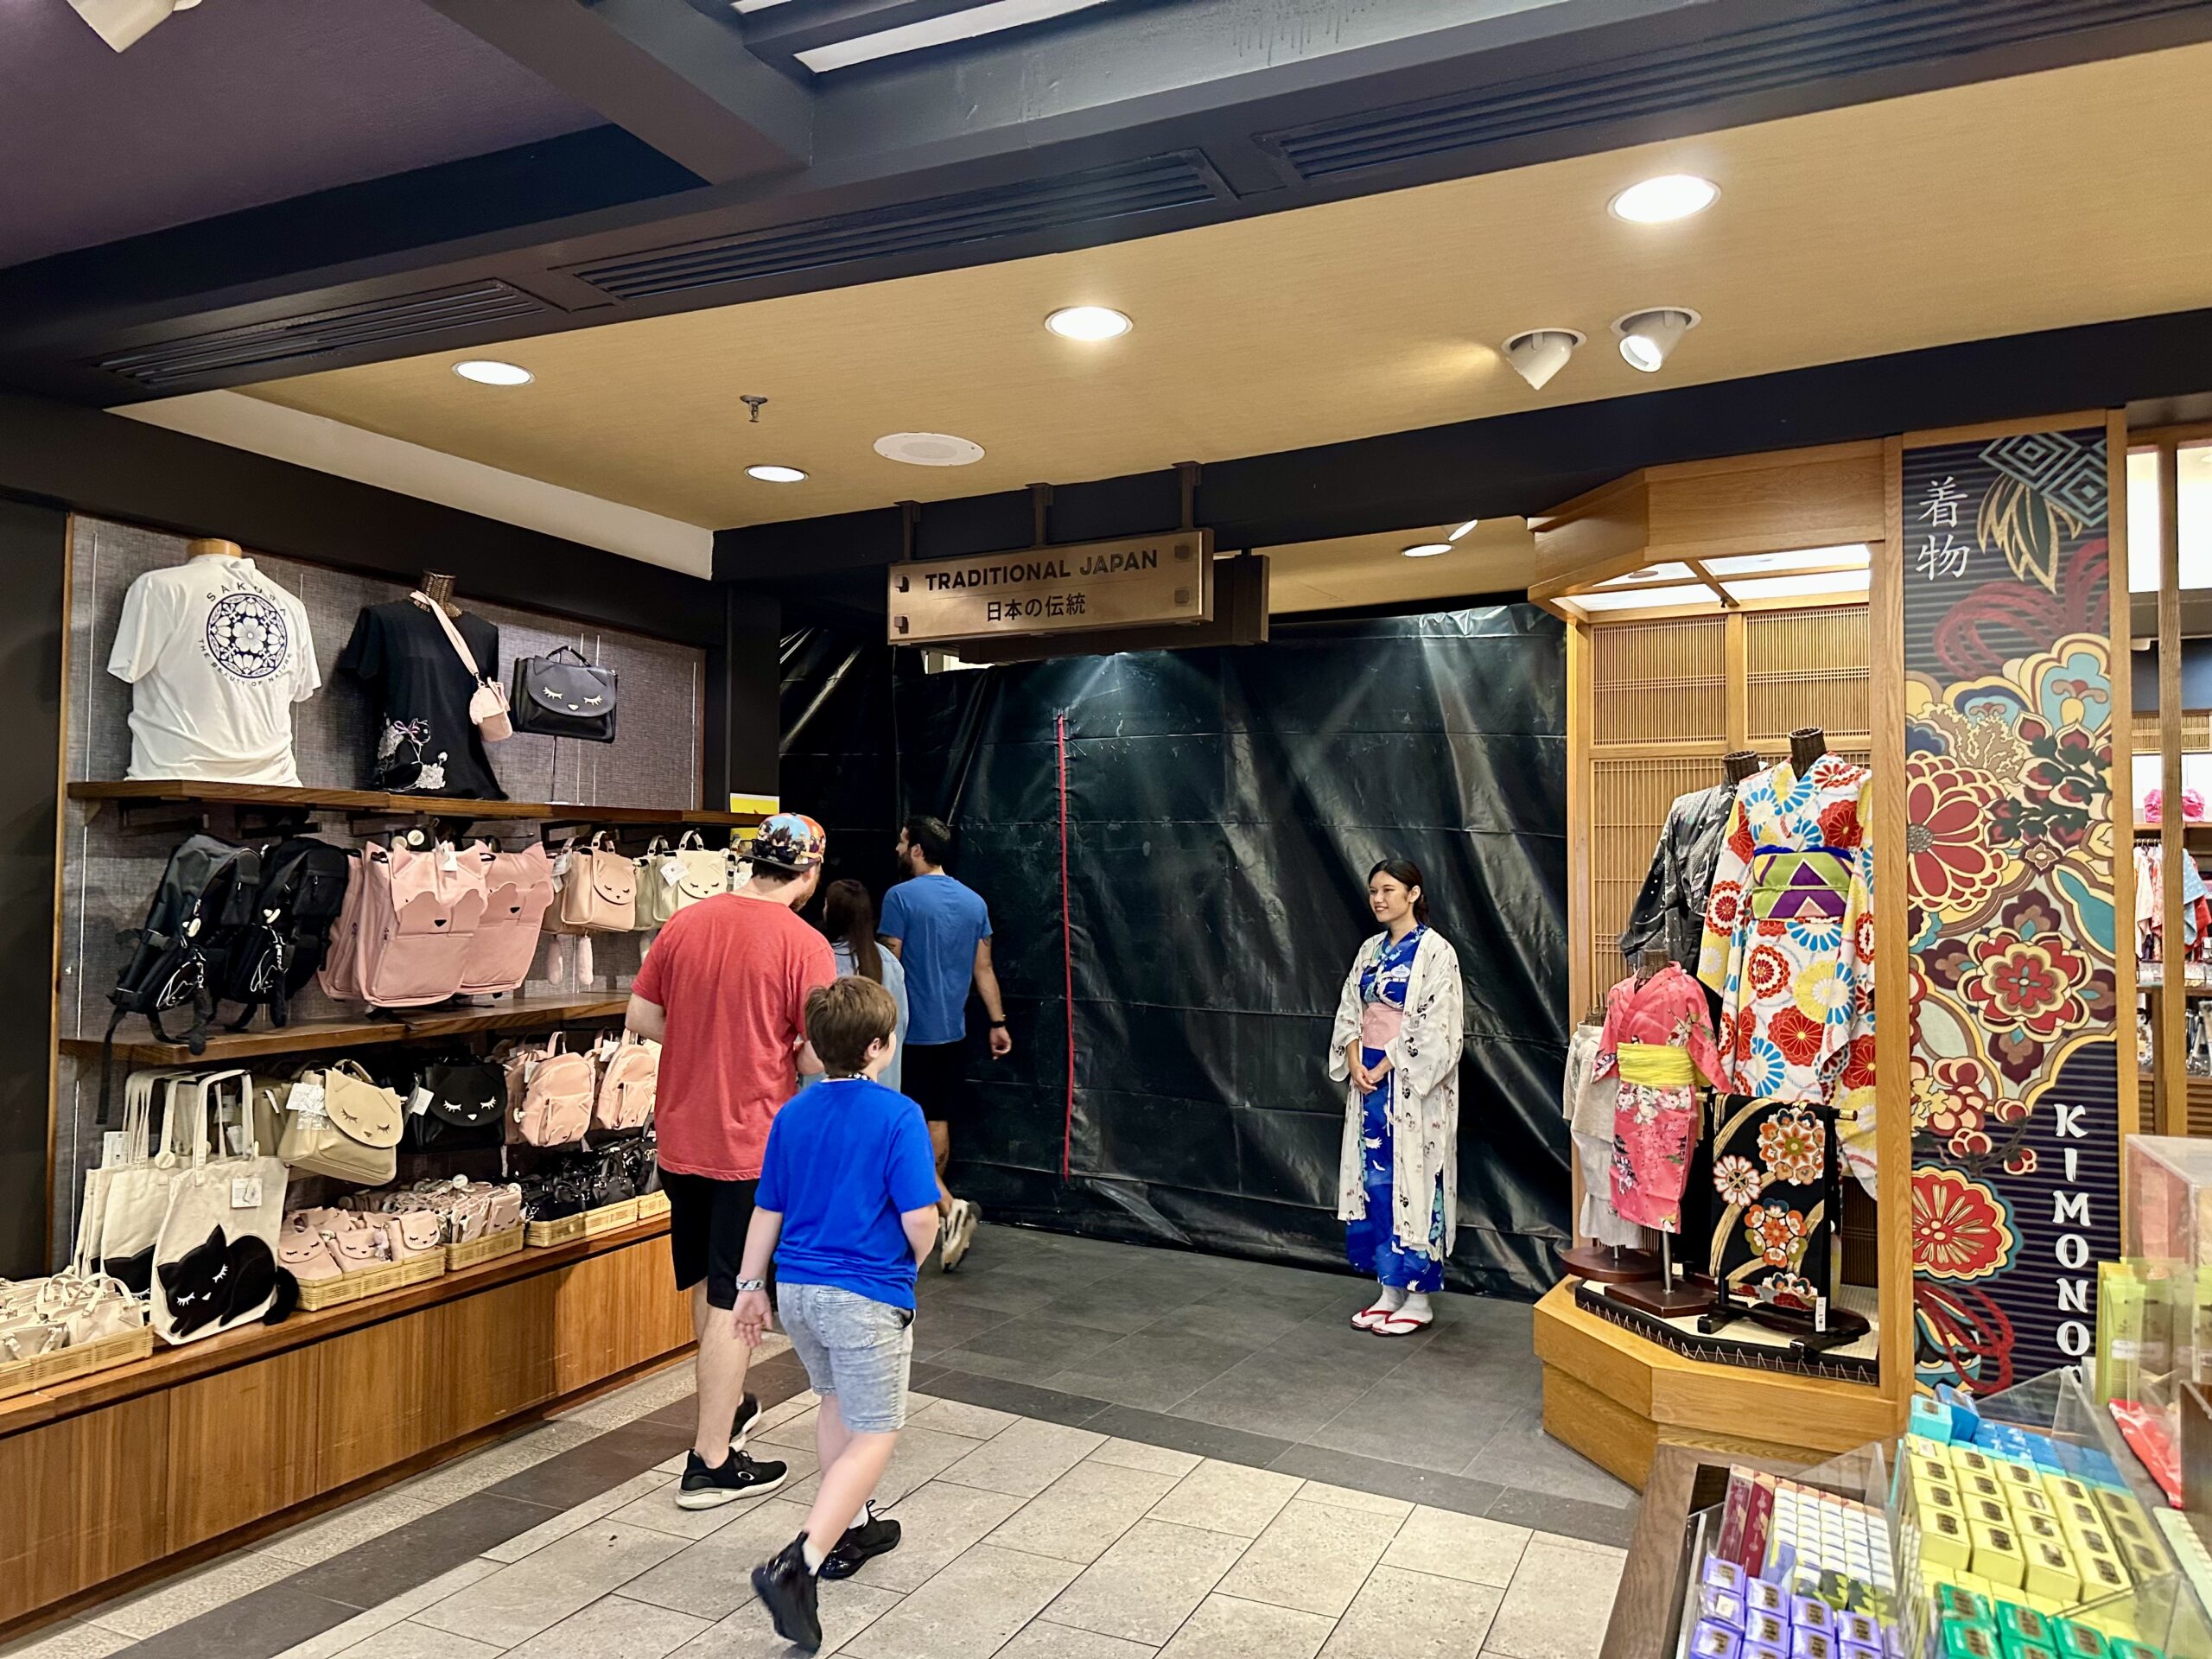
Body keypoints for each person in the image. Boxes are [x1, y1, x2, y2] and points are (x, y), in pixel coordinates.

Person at [626, 812, 836, 1508]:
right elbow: (815, 1052)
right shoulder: (804, 944)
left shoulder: (686, 923)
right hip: (750, 1145)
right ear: (807, 873)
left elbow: (643, 1018)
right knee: (737, 1295)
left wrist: (701, 1038)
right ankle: (710, 1460)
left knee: (708, 1286)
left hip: (682, 1136)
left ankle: (728, 1405)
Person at [739, 977, 941, 1651]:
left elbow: (768, 1207)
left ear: (816, 1047)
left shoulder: (792, 1115)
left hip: (796, 1289)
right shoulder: (898, 1115)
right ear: (879, 1047)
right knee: (878, 1429)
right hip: (866, 1290)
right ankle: (801, 1561)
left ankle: (850, 1524)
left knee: (834, 1405)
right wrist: (913, 1261)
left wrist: (748, 1285)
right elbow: (919, 1217)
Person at [1328, 857, 1465, 1337]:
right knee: (1376, 1183)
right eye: (1373, 892)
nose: (1380, 899)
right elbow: (1350, 1006)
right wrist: (1352, 1057)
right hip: (1368, 1083)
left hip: (1409, 1086)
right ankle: (1389, 1290)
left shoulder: (1435, 952)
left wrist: (1384, 1061)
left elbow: (1438, 1027)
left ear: (1413, 893)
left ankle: (1420, 1296)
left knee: (1418, 1180)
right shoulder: (1369, 950)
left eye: (1389, 890)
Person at [880, 815, 1007, 1271]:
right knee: (936, 1123)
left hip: (908, 1034)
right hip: (952, 1033)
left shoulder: (899, 898)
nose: (897, 847)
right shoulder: (974, 902)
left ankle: (946, 1210)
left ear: (916, 849)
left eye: (902, 839)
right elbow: (984, 969)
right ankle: (934, 1215)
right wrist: (998, 1021)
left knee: (898, 1131)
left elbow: (888, 966)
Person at [821, 878, 910, 1096]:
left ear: (833, 913)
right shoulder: (888, 962)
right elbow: (901, 1024)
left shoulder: (820, 958)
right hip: (880, 1082)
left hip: (827, 1081)